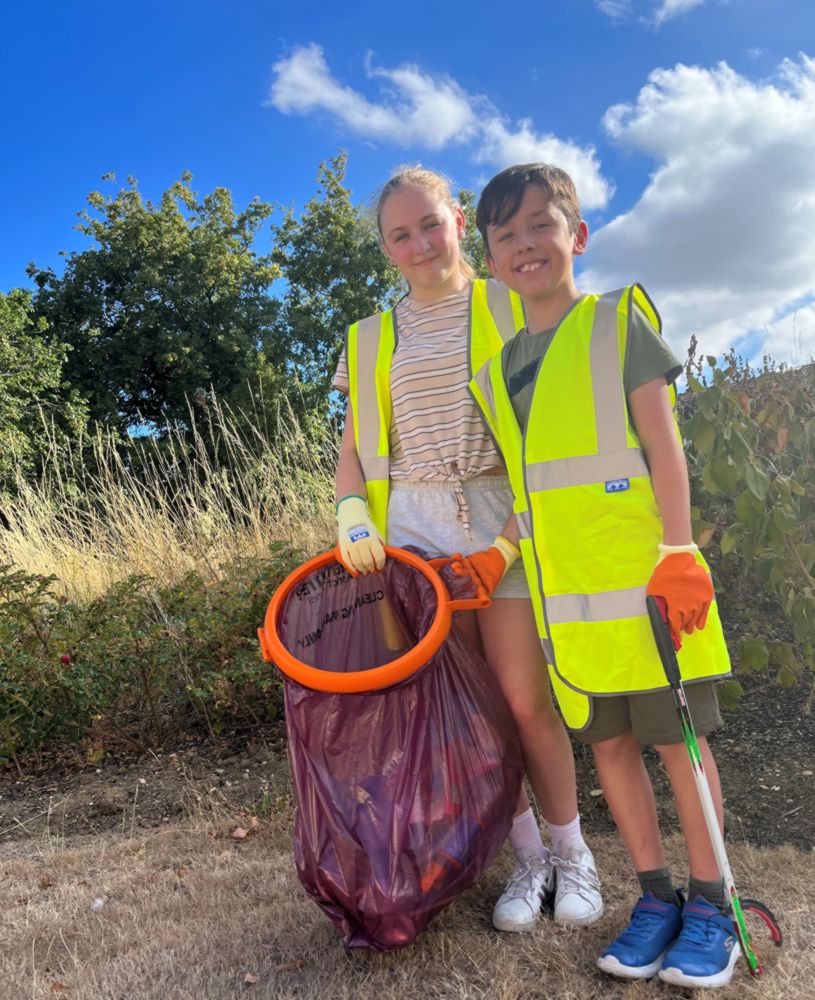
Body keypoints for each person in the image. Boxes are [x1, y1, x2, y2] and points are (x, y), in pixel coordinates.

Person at [466, 163, 737, 989]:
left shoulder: (620, 324)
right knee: (612, 749)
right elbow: (535, 489)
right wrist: (503, 550)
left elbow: (663, 447)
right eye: (505, 235)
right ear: (489, 260)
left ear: (575, 236)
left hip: (652, 592)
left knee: (677, 745)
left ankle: (713, 906)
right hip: (571, 612)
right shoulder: (497, 372)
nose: (525, 245)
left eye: (540, 226)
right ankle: (654, 901)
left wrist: (681, 553)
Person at [332, 166, 603, 932]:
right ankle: (527, 863)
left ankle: (574, 855)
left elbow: (553, 416)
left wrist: (510, 544)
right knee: (474, 713)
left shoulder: (511, 301)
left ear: (457, 220)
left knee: (525, 699)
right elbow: (354, 445)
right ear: (386, 249)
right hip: (415, 538)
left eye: (429, 224)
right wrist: (352, 511)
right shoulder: (368, 338)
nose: (418, 243)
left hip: (502, 518)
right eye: (399, 235)